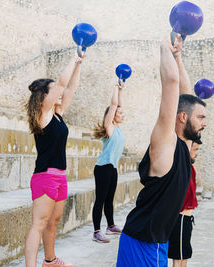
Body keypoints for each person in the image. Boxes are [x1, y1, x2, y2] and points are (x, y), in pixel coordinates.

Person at [116, 34, 207, 267]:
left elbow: (187, 98)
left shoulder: (184, 147)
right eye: (201, 117)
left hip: (153, 240)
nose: (204, 123)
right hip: (144, 242)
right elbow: (172, 85)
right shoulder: (166, 144)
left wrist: (178, 56)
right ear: (183, 118)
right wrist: (164, 46)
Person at [24, 51, 84, 267]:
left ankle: (50, 261)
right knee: (38, 224)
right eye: (54, 92)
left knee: (53, 222)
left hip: (60, 177)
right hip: (45, 176)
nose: (60, 94)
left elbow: (70, 88)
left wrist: (78, 64)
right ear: (44, 97)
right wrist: (72, 57)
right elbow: (61, 84)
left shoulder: (58, 115)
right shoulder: (43, 115)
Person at [91, 82, 126, 243]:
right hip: (103, 167)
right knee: (100, 199)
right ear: (112, 116)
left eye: (121, 112)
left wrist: (121, 91)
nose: (122, 114)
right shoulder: (109, 128)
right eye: (119, 113)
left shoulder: (118, 130)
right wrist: (115, 88)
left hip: (112, 168)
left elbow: (118, 104)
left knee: (109, 199)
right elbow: (114, 105)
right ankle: (96, 231)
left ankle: (110, 226)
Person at [168, 140, 202, 266]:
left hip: (186, 220)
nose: (197, 153)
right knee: (179, 258)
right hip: (180, 219)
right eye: (195, 149)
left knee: (184, 256)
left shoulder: (191, 168)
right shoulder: (182, 167)